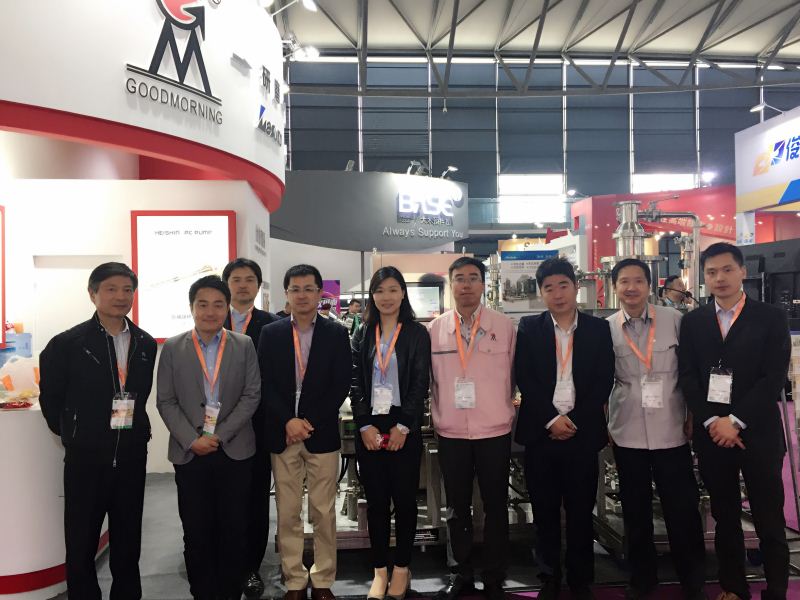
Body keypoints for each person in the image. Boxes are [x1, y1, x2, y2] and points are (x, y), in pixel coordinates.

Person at [678, 242, 791, 600]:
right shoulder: (693, 322)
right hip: (713, 434)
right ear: (704, 278)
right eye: (711, 272)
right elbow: (688, 377)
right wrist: (714, 421)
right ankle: (733, 588)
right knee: (725, 516)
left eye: (727, 269)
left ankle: (776, 589)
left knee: (768, 517)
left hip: (758, 432)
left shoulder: (770, 318)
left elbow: (773, 377)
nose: (720, 278)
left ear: (743, 271)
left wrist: (736, 421)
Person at [39, 262, 157, 600]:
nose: (121, 296)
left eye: (127, 290)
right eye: (111, 289)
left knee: (128, 540)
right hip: (85, 460)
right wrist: (77, 434)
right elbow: (52, 401)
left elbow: (140, 395)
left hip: (131, 456)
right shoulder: (67, 344)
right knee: (81, 542)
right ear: (93, 294)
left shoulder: (145, 343)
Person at [514, 257, 615, 600]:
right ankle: (549, 577)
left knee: (580, 511)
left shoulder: (598, 329)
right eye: (549, 288)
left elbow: (603, 380)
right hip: (541, 434)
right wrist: (551, 419)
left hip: (582, 434)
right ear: (540, 293)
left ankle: (580, 578)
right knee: (543, 511)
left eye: (563, 286)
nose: (557, 294)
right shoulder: (529, 328)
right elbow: (525, 377)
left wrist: (574, 420)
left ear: (576, 288)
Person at [607, 258, 706, 600]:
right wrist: (606, 422)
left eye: (638, 280)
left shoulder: (675, 321)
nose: (631, 287)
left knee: (682, 510)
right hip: (628, 432)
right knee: (635, 512)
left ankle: (692, 580)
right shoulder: (607, 329)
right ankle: (642, 579)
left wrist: (693, 413)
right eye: (624, 281)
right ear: (614, 287)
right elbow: (602, 380)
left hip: (671, 430)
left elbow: (691, 372)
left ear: (650, 286)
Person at [157, 275, 261, 600]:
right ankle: (202, 592)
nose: (210, 312)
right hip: (190, 454)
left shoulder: (243, 345)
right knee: (196, 531)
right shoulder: (173, 347)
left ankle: (230, 592)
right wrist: (192, 439)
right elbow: (166, 400)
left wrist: (219, 436)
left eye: (218, 305)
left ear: (227, 308)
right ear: (192, 308)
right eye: (202, 304)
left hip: (234, 451)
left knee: (234, 528)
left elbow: (252, 394)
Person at [258, 264, 352, 600]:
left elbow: (341, 383)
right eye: (295, 289)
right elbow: (264, 382)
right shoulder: (271, 333)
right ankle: (294, 579)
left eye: (308, 289)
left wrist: (306, 421)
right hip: (283, 433)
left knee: (323, 511)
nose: (301, 295)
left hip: (320, 433)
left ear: (319, 294)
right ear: (286, 293)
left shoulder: (335, 333)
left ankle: (323, 578)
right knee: (287, 511)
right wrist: (288, 420)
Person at [428, 256, 517, 600]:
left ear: (483, 284)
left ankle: (494, 575)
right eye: (459, 279)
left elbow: (515, 375)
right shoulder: (435, 330)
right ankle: (460, 572)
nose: (466, 285)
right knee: (456, 507)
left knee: (496, 506)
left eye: (473, 278)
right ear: (450, 285)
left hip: (494, 429)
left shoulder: (504, 326)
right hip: (452, 431)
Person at [350, 267, 431, 600]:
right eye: (380, 290)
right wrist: (364, 424)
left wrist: (404, 426)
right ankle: (379, 571)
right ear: (372, 295)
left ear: (403, 293)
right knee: (377, 503)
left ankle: (402, 568)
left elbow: (420, 382)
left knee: (406, 501)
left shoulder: (416, 333)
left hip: (403, 424)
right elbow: (355, 381)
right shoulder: (362, 332)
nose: (386, 297)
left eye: (393, 289)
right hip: (370, 425)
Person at [221, 257, 280, 598]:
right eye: (236, 279)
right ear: (226, 284)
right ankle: (223, 562)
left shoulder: (272, 326)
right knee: (219, 498)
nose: (242, 285)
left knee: (255, 499)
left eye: (249, 280)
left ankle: (251, 568)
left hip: (257, 427)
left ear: (258, 286)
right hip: (216, 428)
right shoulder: (213, 320)